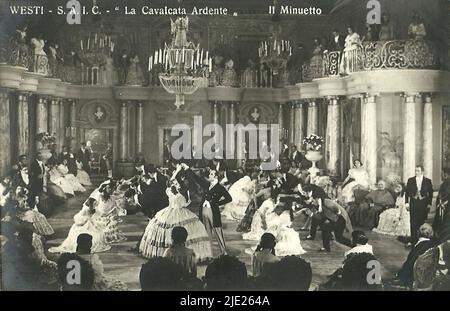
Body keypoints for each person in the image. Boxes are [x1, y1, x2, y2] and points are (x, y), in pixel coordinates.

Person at [139, 170, 212, 262]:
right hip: (177, 211)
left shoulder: (170, 190)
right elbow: (185, 204)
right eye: (176, 182)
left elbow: (179, 194)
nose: (177, 183)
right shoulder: (177, 191)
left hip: (170, 211)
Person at [185, 164, 232, 255]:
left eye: (211, 174)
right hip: (204, 211)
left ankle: (223, 251)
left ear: (216, 177)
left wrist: (216, 203)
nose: (209, 176)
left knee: (217, 230)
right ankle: (208, 252)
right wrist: (188, 169)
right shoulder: (207, 185)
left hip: (213, 211)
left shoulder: (220, 188)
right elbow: (197, 179)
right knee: (207, 232)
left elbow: (229, 198)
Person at [405, 165, 433, 245]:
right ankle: (413, 240)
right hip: (413, 203)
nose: (416, 172)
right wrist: (407, 203)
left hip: (423, 203)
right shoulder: (410, 180)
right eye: (415, 170)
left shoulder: (427, 181)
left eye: (418, 171)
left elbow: (430, 193)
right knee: (413, 221)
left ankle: (420, 240)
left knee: (421, 221)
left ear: (422, 171)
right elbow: (407, 193)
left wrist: (429, 203)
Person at [433, 170, 450, 243]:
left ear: (446, 174)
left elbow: (445, 196)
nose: (441, 176)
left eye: (442, 174)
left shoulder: (447, 183)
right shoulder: (445, 183)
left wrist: (441, 203)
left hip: (445, 209)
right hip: (443, 208)